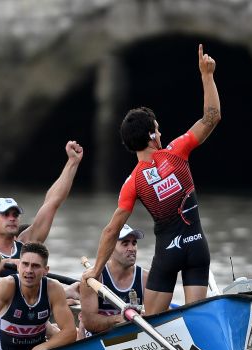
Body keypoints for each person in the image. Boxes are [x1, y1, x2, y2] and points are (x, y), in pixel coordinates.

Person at [82, 44, 220, 315]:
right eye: (157, 128)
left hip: (168, 253)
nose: (161, 132)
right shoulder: (177, 151)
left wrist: (95, 272)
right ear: (151, 137)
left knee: (151, 323)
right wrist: (207, 76)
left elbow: (111, 231)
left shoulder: (132, 182)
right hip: (197, 248)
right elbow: (212, 117)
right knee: (196, 319)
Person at [0, 140, 83, 265]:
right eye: (6, 214)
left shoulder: (26, 244)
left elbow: (52, 202)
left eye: (15, 214)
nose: (12, 218)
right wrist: (11, 262)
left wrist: (72, 163)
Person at [74, 224, 148, 336]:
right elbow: (89, 322)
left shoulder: (145, 278)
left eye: (134, 243)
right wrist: (118, 319)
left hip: (132, 336)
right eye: (125, 243)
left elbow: (160, 314)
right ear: (110, 248)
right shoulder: (92, 278)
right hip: (98, 339)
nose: (132, 248)